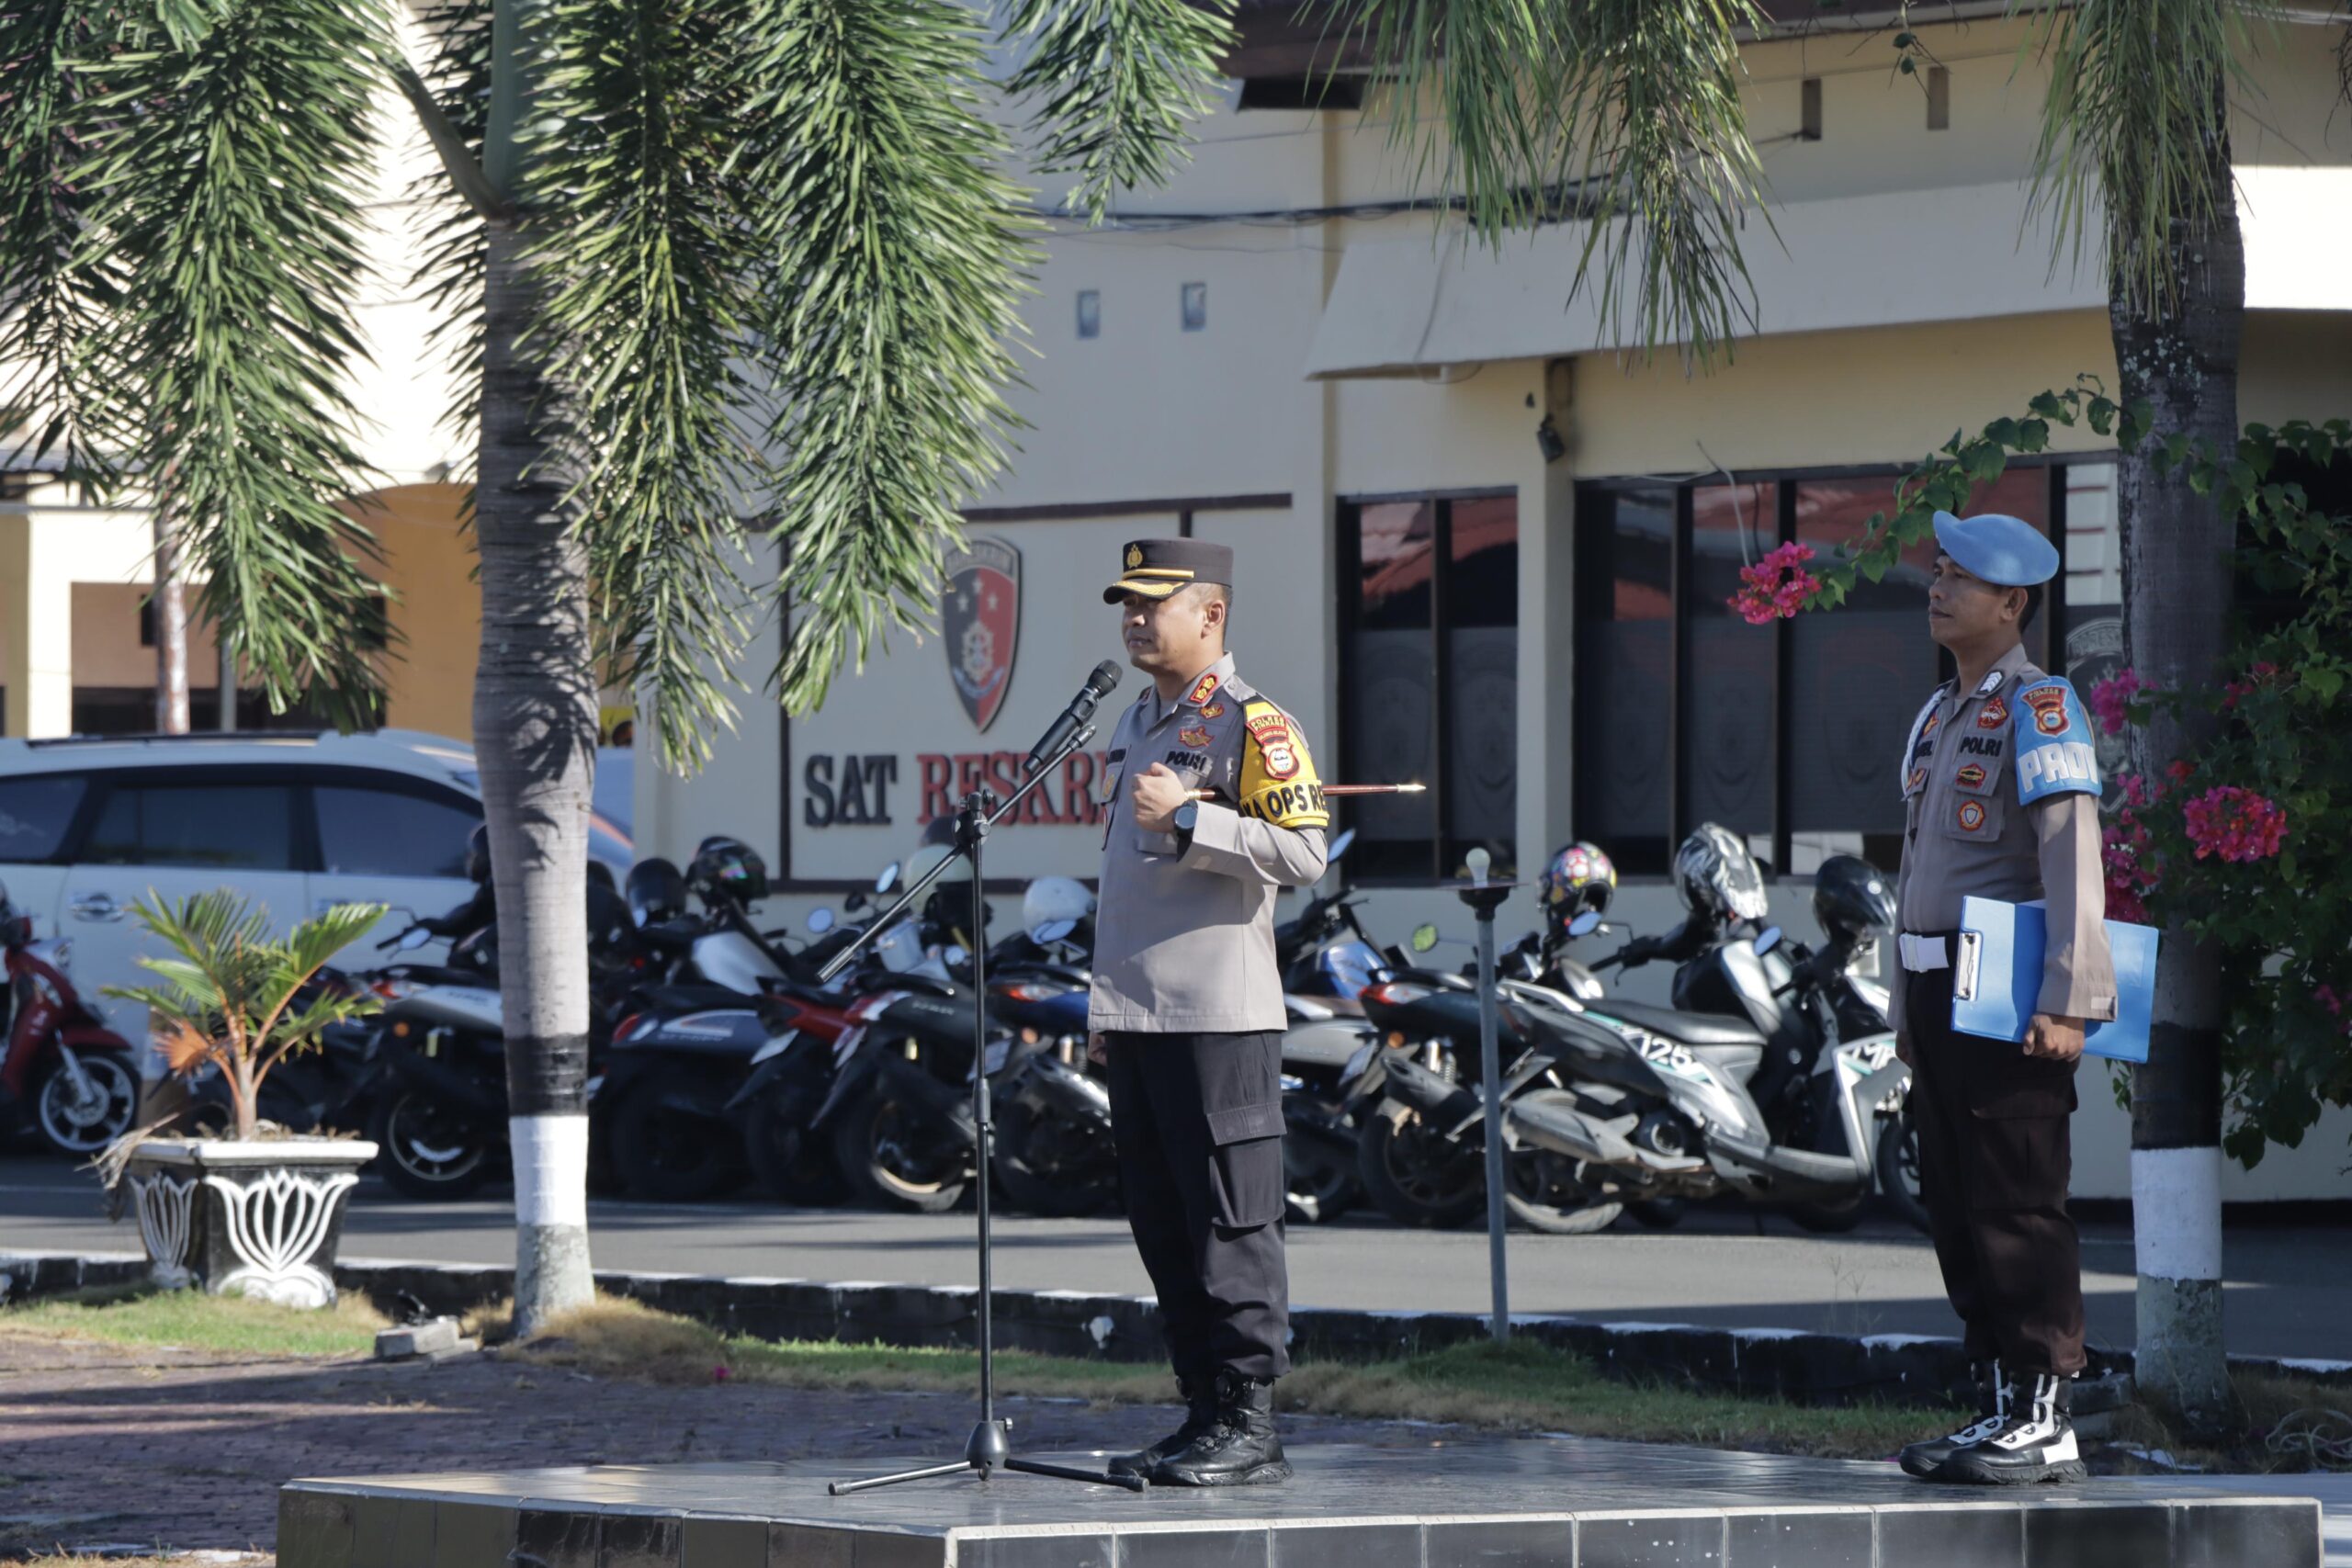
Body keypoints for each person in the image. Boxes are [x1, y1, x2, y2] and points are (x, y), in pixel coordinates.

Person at [1087, 537, 1329, 1486]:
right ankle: (1202, 1413)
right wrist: (1106, 1007)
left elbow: (1305, 854)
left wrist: (1192, 817)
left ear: (1211, 615)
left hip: (1219, 1017)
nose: (1136, 619)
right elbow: (1126, 884)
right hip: (1140, 1018)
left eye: (1155, 603)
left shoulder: (1255, 725)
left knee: (1231, 1222)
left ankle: (1249, 1421)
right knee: (1164, 1223)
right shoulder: (1135, 722)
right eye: (1128, 604)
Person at [1891, 510, 2116, 1486]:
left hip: (2008, 998)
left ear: (2011, 603)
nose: (1937, 588)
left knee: (2017, 1204)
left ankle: (2046, 1417)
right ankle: (1997, 1408)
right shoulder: (1938, 714)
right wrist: (1902, 1010)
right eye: (1938, 571)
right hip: (1935, 989)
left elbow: (2072, 858)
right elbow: (1914, 870)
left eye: (1961, 578)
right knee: (1956, 1206)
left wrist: (2070, 997)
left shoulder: (2042, 706)